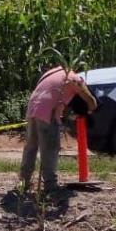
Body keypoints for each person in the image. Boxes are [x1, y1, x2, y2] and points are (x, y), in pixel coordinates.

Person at [19, 66, 97, 195]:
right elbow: (91, 101)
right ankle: (51, 185)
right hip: (49, 112)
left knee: (31, 148)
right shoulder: (72, 77)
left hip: (33, 108)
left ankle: (23, 183)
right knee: (50, 149)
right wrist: (90, 108)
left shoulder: (52, 72)